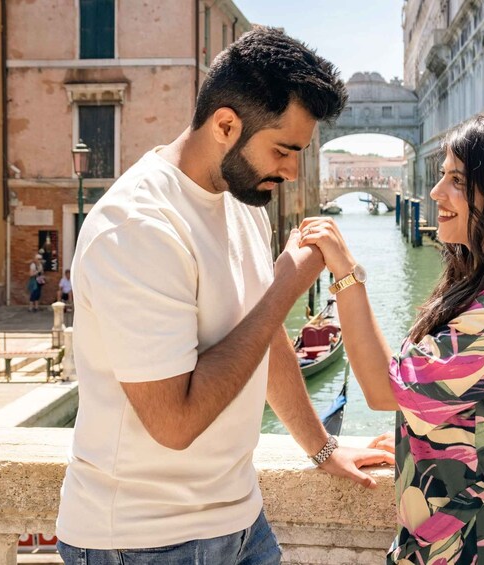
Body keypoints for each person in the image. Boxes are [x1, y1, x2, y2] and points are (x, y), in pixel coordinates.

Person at [55, 27, 392, 565]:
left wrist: (321, 446)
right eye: (283, 150)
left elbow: (259, 336)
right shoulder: (138, 226)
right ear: (226, 125)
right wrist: (285, 286)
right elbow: (174, 424)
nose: (292, 170)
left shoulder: (239, 202)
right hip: (141, 542)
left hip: (241, 520)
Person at [300, 113, 484, 564]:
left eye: (457, 180)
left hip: (480, 546)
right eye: (441, 175)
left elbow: (382, 388)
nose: (435, 193)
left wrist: (348, 275)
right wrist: (426, 439)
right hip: (479, 535)